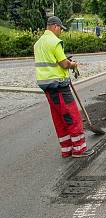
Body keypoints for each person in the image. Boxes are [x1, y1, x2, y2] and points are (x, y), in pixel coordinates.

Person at [34, 16, 89, 158]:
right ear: (55, 26)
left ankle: (67, 149)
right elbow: (64, 64)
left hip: (47, 86)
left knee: (59, 118)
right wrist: (73, 64)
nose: (60, 32)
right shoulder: (54, 42)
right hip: (59, 86)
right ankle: (79, 149)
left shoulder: (38, 43)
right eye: (60, 29)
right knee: (72, 116)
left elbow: (50, 61)